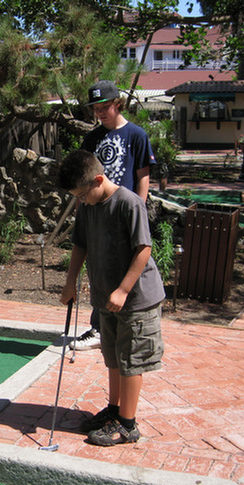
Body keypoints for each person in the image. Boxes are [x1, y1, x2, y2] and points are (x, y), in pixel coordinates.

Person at [59, 149, 164, 446]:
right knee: (113, 357)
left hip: (136, 299)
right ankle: (115, 410)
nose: (79, 200)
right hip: (107, 298)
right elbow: (80, 245)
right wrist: (70, 283)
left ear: (98, 180)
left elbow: (143, 248)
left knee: (131, 359)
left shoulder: (128, 203)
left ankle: (128, 425)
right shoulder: (88, 208)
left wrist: (123, 289)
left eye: (81, 194)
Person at [72, 79, 157, 352]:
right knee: (98, 267)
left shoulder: (136, 135)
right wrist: (81, 207)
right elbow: (83, 176)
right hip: (95, 212)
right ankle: (99, 327)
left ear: (118, 104)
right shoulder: (92, 138)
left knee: (125, 265)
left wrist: (139, 210)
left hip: (124, 212)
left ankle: (124, 322)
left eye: (105, 107)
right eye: (96, 108)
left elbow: (143, 176)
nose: (100, 113)